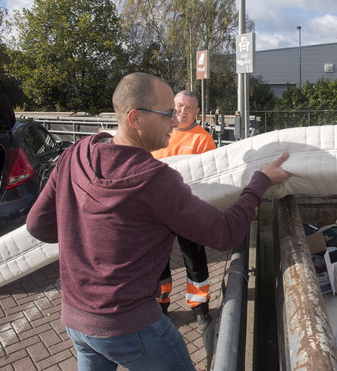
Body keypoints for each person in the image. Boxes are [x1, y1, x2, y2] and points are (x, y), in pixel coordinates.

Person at [26, 72, 290, 371]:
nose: (176, 122)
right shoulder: (157, 180)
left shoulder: (76, 153)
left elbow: (38, 225)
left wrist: (84, 233)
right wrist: (260, 182)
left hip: (76, 319)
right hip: (130, 326)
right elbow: (225, 233)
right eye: (167, 114)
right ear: (135, 118)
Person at [151, 90, 216, 330]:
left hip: (189, 212)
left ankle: (199, 307)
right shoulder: (158, 134)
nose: (183, 111)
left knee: (195, 260)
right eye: (179, 106)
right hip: (158, 213)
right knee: (158, 262)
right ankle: (160, 304)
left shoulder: (203, 139)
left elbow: (211, 177)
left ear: (197, 112)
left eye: (189, 107)